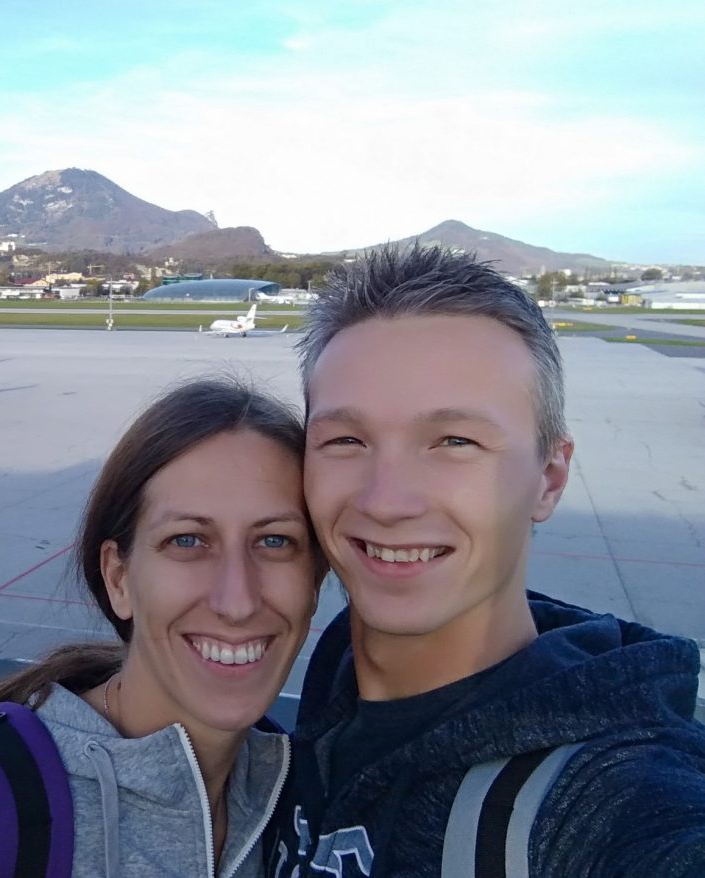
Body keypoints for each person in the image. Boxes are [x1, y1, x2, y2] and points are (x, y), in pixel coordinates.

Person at [268, 243, 705, 877]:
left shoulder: (611, 800)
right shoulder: (327, 699)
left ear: (549, 478)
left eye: (454, 441)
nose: (386, 501)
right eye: (346, 440)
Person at [0, 377, 329, 877]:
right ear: (118, 577)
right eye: (187, 541)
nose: (237, 601)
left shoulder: (303, 802)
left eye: (275, 541)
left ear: (315, 580)